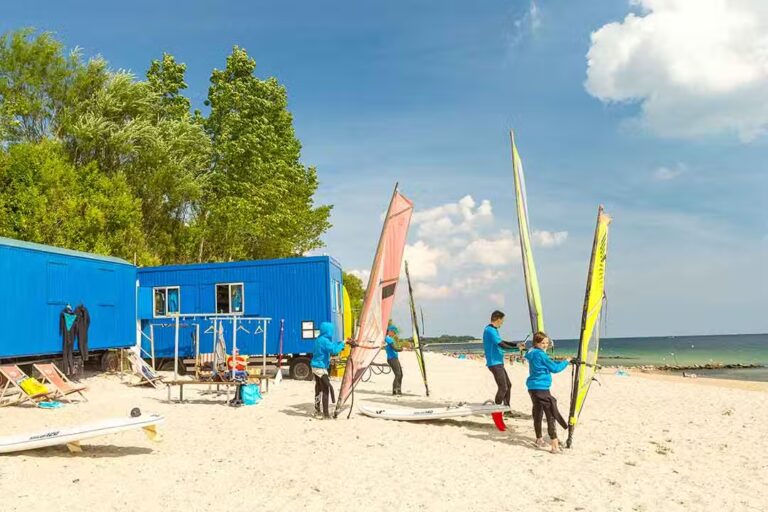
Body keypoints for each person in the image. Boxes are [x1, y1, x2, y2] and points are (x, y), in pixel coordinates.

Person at [525, 331, 570, 453]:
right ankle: (554, 445)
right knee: (550, 414)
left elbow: (546, 365)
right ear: (536, 343)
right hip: (542, 388)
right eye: (542, 343)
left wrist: (556, 362)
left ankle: (539, 439)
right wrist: (567, 361)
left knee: (537, 412)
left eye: (547, 342)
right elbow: (555, 369)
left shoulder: (531, 352)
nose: (545, 345)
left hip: (532, 387)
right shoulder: (541, 355)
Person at [482, 310, 523, 407]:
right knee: (503, 387)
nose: (503, 323)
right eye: (502, 320)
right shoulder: (489, 330)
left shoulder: (493, 330)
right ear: (498, 319)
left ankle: (506, 408)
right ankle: (496, 410)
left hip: (498, 363)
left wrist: (516, 344)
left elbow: (502, 341)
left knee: (508, 385)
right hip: (494, 363)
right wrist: (517, 348)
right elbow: (501, 345)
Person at [310, 321, 345, 419]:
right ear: (328, 331)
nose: (332, 332)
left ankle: (317, 410)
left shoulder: (319, 339)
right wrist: (343, 344)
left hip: (314, 366)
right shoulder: (325, 341)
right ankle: (326, 415)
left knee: (318, 388)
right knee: (326, 389)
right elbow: (334, 350)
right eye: (331, 331)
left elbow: (331, 346)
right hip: (321, 368)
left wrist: (339, 343)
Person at [384, 325, 404, 395]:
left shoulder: (390, 338)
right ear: (390, 331)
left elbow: (395, 347)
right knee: (398, 374)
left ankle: (398, 390)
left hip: (394, 358)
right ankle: (395, 390)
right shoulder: (387, 338)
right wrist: (401, 349)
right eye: (394, 332)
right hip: (391, 359)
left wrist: (401, 348)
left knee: (401, 374)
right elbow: (394, 348)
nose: (395, 334)